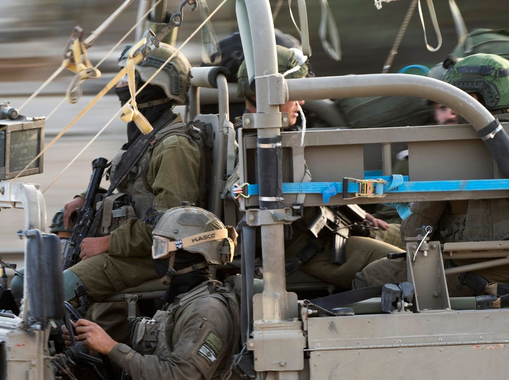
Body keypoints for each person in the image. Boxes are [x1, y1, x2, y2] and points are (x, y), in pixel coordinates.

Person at [45, 207, 238, 380]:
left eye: (161, 248)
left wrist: (111, 347)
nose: (155, 257)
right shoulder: (181, 303)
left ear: (188, 255)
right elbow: (146, 366)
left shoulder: (207, 312)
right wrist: (97, 349)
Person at [237, 46, 403, 290]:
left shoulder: (278, 136)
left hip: (334, 231)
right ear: (271, 93)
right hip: (315, 251)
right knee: (415, 267)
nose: (302, 101)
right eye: (295, 91)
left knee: (419, 237)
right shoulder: (253, 146)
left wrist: (353, 212)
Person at [60, 43, 205, 305]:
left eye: (128, 77)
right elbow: (136, 189)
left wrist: (108, 243)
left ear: (152, 84)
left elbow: (171, 228)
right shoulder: (147, 134)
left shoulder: (173, 148)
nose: (119, 85)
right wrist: (86, 198)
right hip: (131, 247)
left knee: (56, 287)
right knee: (29, 277)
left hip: (152, 258)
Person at [356, 53, 509, 293]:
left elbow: (412, 235)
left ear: (471, 99)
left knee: (367, 279)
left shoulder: (446, 151)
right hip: (493, 272)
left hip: (473, 273)